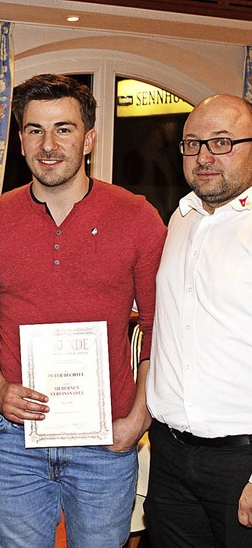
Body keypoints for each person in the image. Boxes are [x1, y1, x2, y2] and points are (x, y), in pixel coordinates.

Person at [0, 74, 167, 547]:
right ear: (20, 141)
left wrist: (139, 416)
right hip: (15, 438)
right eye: (35, 130)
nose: (49, 144)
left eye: (64, 128)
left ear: (89, 139)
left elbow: (163, 330)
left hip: (106, 437)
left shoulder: (137, 217)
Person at [145, 94, 252, 547]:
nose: (204, 156)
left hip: (241, 462)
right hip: (170, 456)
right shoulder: (182, 217)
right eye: (192, 143)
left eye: (222, 142)